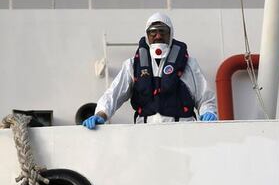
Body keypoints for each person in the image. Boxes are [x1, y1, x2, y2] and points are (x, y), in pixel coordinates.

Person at [82, 13, 218, 129]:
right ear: (147, 35)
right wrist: (101, 114)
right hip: (145, 135)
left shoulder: (189, 64)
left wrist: (208, 112)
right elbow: (113, 95)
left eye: (162, 31)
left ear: (170, 34)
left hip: (183, 132)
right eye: (153, 31)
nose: (158, 36)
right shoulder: (132, 65)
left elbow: (205, 99)